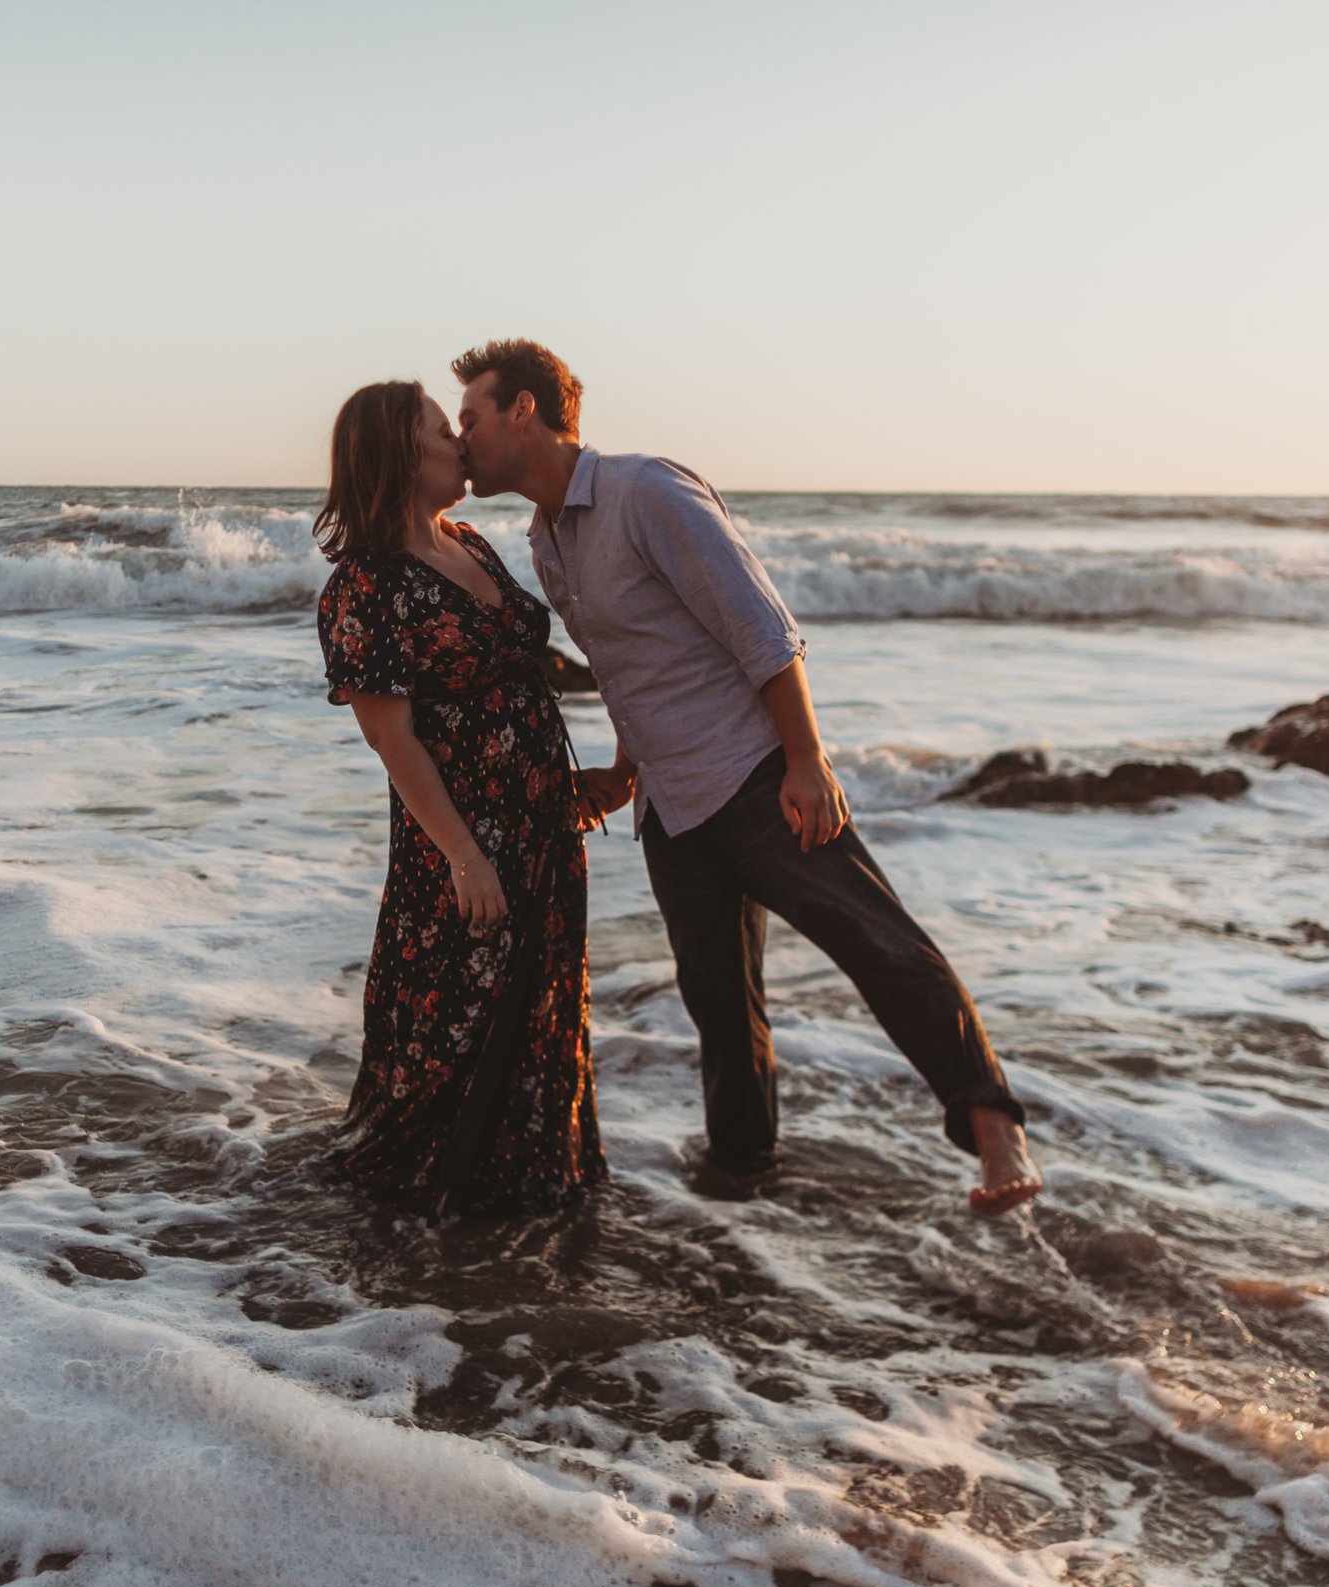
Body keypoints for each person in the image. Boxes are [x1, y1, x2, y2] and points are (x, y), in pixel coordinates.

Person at [451, 339, 1044, 1214]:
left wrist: (805, 760)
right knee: (720, 1004)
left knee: (877, 943)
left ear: (525, 411)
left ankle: (996, 1128)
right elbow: (631, 663)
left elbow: (760, 623)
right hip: (672, 808)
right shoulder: (546, 541)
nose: (461, 438)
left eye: (470, 417)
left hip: (756, 775)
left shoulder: (646, 490)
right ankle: (741, 1171)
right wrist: (624, 767)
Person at [313, 379, 604, 1216]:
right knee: (451, 1038)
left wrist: (583, 769)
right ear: (406, 454)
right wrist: (465, 854)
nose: (462, 442)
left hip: (543, 833)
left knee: (542, 1016)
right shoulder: (364, 585)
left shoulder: (472, 544)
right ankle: (421, 1227)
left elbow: (522, 675)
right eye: (446, 429)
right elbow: (391, 738)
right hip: (463, 849)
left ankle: (534, 1202)